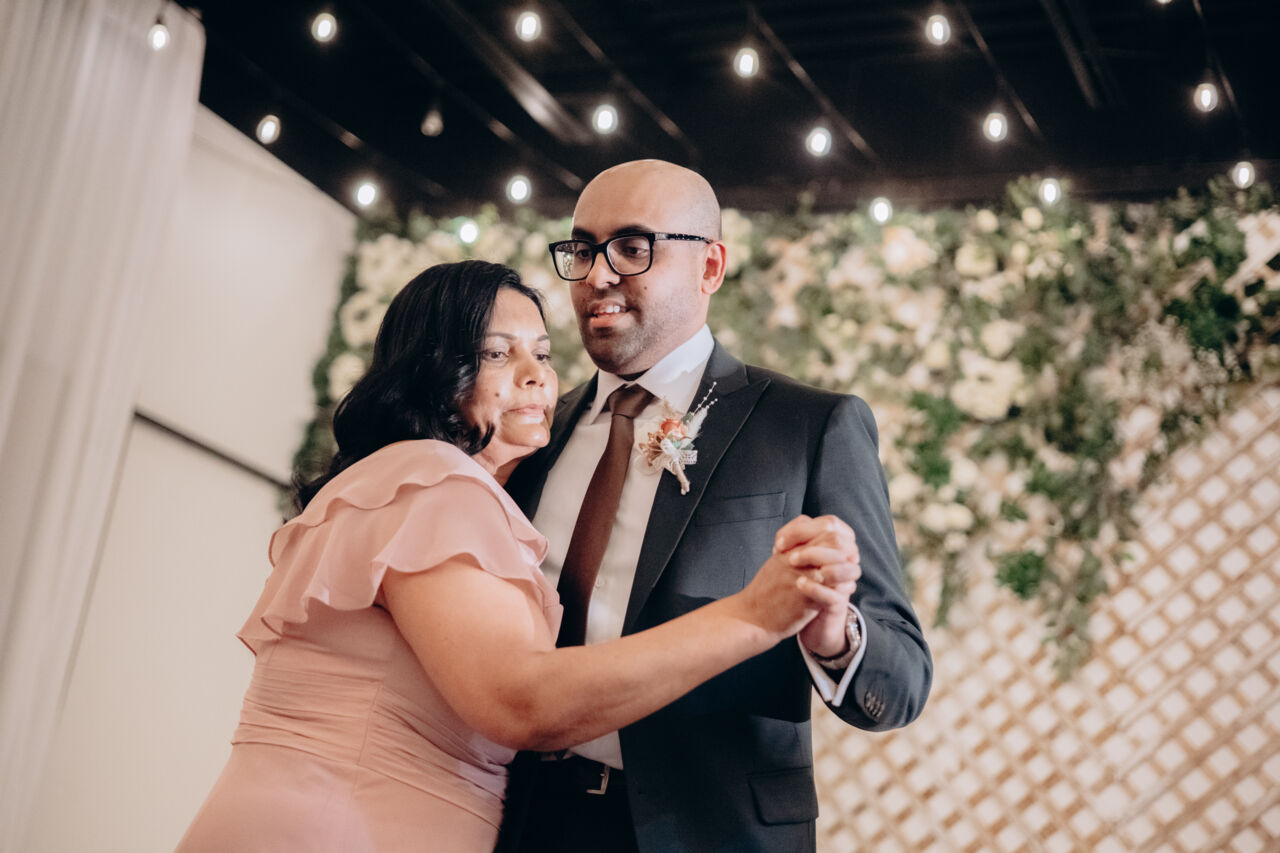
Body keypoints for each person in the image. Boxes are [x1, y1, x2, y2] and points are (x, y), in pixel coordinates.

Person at [174, 260, 856, 853]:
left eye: (543, 353)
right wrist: (751, 616)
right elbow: (518, 700)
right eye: (499, 355)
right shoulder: (436, 485)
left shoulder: (400, 481)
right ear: (435, 371)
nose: (537, 378)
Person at [497, 161, 933, 853]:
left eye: (632, 247)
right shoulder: (531, 433)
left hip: (712, 830)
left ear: (710, 267)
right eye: (582, 250)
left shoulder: (807, 426)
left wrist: (834, 635)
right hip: (522, 821)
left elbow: (902, 678)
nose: (597, 276)